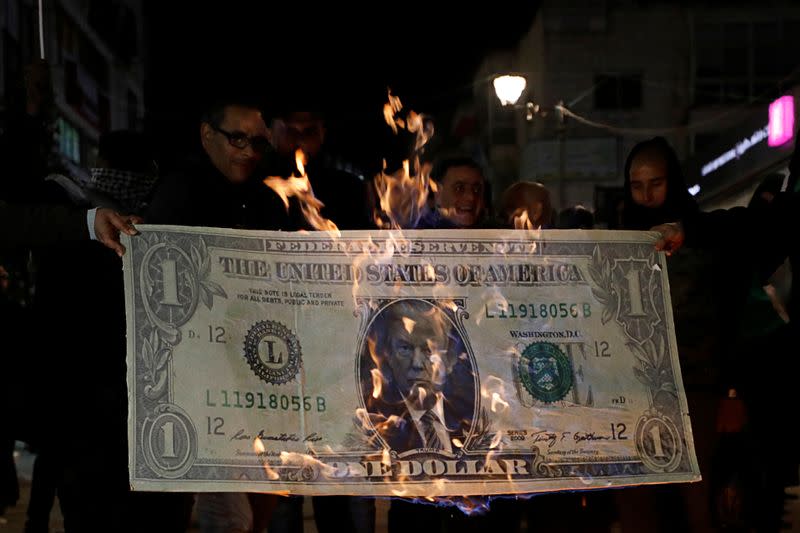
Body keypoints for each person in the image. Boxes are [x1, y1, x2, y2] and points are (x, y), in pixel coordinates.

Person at [360, 299, 475, 453]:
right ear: (388, 356)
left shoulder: (472, 414)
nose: (417, 364)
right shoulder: (370, 422)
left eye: (428, 350)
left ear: (449, 357)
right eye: (405, 349)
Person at [416, 155, 488, 229]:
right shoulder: (416, 234)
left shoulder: (495, 232)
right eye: (459, 188)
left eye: (476, 189)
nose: (471, 197)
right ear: (438, 194)